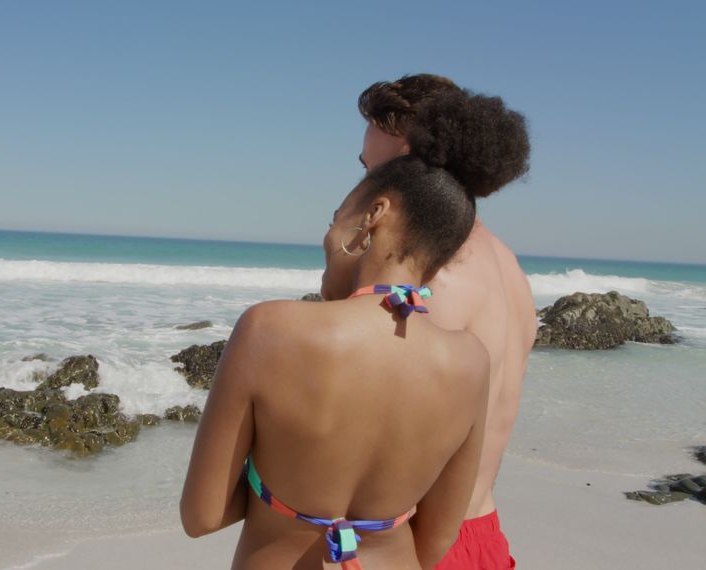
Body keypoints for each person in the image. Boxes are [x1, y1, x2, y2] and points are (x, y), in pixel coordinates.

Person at [180, 93, 529, 569]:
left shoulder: (268, 329)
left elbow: (202, 515)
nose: (326, 237)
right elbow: (435, 544)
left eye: (334, 220)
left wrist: (285, 493)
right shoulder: (470, 359)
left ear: (374, 216)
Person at [357, 75, 536, 569]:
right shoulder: (509, 267)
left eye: (376, 170)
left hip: (417, 545)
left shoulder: (432, 279)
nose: (364, 188)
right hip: (483, 536)